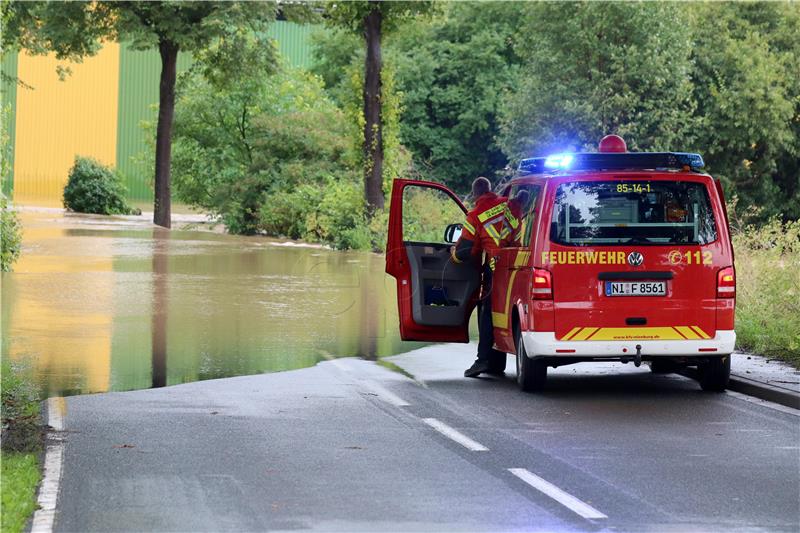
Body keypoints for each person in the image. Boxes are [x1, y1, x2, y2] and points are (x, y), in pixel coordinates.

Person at [449, 177, 509, 378]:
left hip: (496, 267)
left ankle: (483, 360)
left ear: (475, 194)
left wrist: (453, 255)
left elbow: (465, 251)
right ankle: (497, 361)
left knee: (488, 313)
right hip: (518, 263)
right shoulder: (505, 204)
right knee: (502, 312)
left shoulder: (475, 216)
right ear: (490, 189)